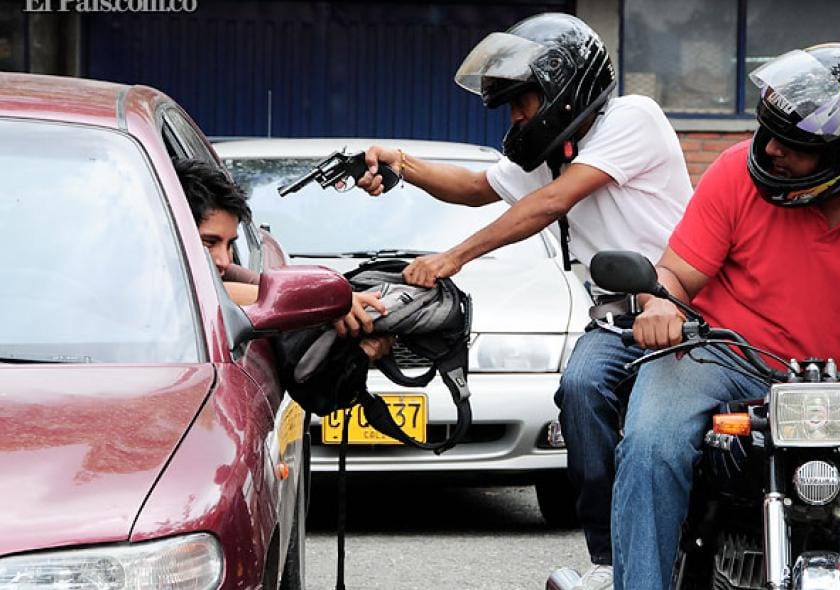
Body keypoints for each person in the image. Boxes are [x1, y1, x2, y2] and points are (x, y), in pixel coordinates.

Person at [612, 43, 840, 590]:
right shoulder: (737, 170)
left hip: (824, 389)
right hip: (714, 354)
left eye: (797, 145)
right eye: (772, 132)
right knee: (650, 446)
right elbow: (675, 275)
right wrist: (660, 303)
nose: (773, 149)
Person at [356, 13, 692, 588]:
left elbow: (552, 203)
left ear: (565, 88)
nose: (516, 117)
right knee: (581, 391)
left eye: (523, 102)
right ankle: (611, 563)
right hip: (613, 321)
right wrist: (402, 165)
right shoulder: (556, 151)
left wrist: (452, 258)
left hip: (680, 308)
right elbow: (474, 188)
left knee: (670, 435)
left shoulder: (632, 119)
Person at [173, 158, 392, 359]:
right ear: (167, 234)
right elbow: (198, 293)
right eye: (208, 243)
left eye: (231, 244)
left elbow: (265, 287)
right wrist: (323, 301)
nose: (223, 260)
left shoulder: (223, 270)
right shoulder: (150, 287)